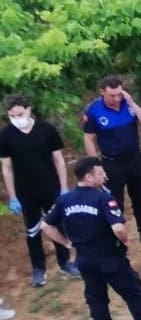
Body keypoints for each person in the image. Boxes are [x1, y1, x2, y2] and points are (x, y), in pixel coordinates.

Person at [41, 156, 141, 320]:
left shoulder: (64, 200)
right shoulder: (103, 198)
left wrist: (66, 243)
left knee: (96, 298)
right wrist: (125, 240)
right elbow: (117, 228)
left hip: (84, 259)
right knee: (132, 292)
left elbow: (46, 226)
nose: (104, 176)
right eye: (100, 173)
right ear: (89, 177)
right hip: (110, 257)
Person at [0, 94, 80, 287]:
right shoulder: (5, 135)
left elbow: (59, 160)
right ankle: (38, 269)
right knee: (33, 230)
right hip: (25, 192)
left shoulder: (46, 129)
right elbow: (6, 167)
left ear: (28, 109)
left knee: (58, 226)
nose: (16, 118)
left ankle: (65, 262)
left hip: (51, 188)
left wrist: (63, 187)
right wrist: (12, 196)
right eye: (12, 116)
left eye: (19, 114)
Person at [82, 76, 141, 246]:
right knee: (114, 202)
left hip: (134, 160)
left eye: (119, 94)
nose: (116, 98)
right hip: (111, 164)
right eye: (112, 95)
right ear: (102, 92)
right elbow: (89, 139)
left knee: (140, 197)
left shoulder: (128, 104)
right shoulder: (93, 110)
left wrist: (132, 103)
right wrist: (96, 167)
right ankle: (116, 239)